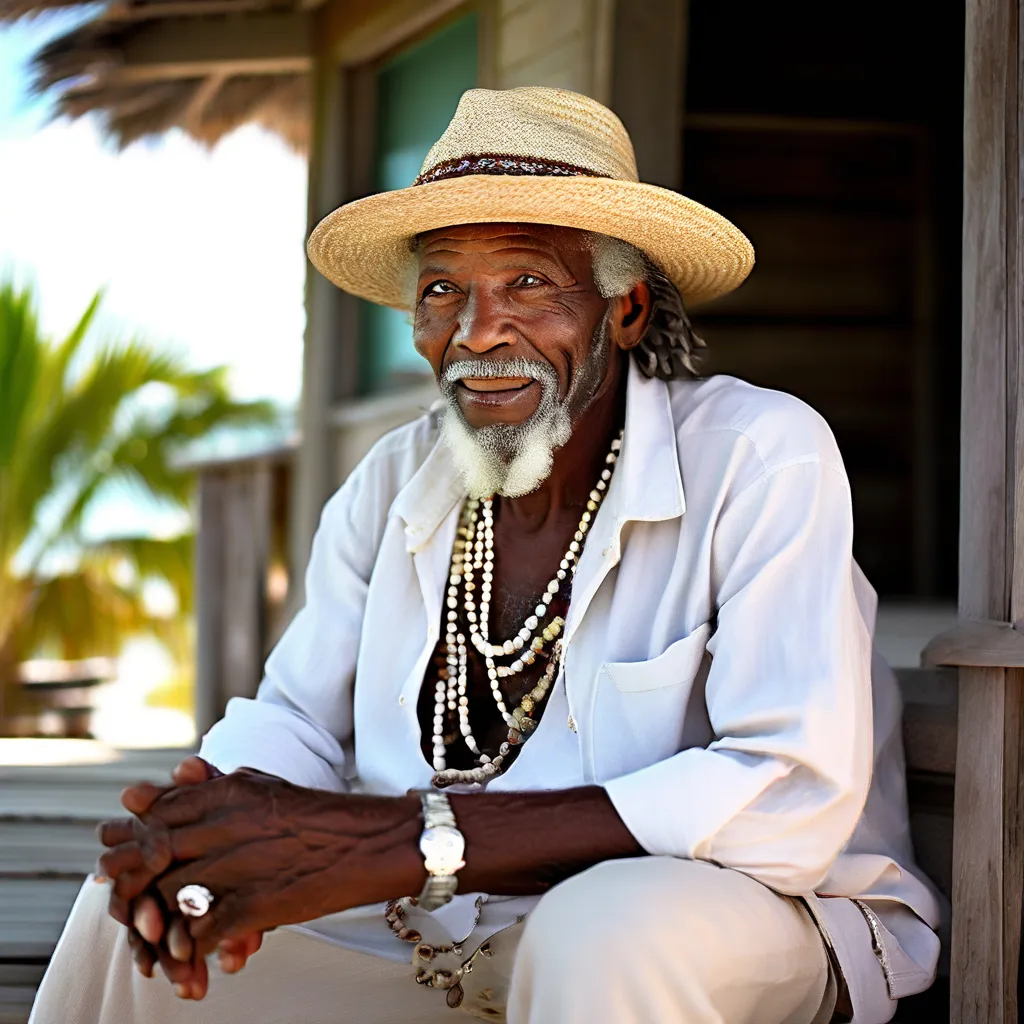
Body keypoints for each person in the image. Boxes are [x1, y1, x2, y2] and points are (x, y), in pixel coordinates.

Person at [30, 86, 941, 1024]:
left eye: (530, 283)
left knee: (601, 927)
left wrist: (414, 837)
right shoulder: (395, 479)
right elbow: (296, 718)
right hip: (439, 928)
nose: (477, 332)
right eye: (441, 291)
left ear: (624, 311)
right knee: (134, 918)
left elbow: (788, 795)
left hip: (728, 923)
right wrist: (199, 834)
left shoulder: (757, 454)